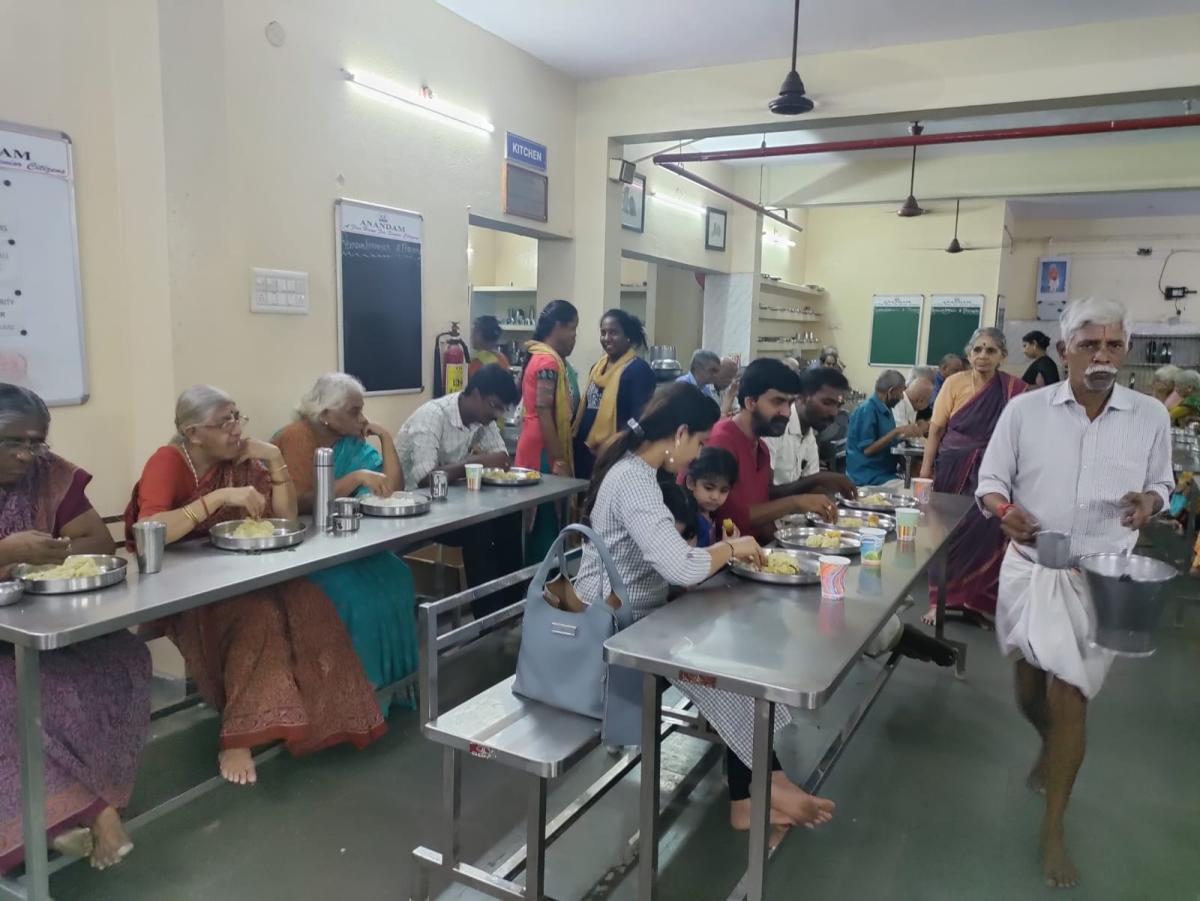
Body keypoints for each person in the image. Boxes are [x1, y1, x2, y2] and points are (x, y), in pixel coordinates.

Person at [575, 383, 835, 838]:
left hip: (642, 622)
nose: (696, 455)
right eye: (697, 443)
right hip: (612, 633)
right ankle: (757, 789)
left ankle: (762, 786)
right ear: (679, 433)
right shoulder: (634, 481)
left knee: (741, 667)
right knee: (729, 673)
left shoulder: (637, 474)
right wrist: (731, 549)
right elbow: (679, 565)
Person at [977, 298, 1171, 889]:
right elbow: (991, 482)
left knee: (1071, 694)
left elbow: (1162, 483)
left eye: (1113, 344)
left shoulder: (1149, 416)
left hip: (1101, 578)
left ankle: (1054, 827)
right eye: (1089, 345)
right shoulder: (1025, 411)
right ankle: (1049, 743)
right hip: (1030, 569)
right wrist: (1004, 511)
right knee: (1027, 690)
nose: (1102, 356)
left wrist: (1150, 502)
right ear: (1065, 351)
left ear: (1126, 350)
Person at [126, 386, 385, 787]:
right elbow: (150, 531)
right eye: (224, 422)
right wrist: (217, 499)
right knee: (257, 615)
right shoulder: (169, 461)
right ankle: (239, 735)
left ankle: (314, 711)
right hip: (181, 586)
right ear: (193, 433)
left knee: (307, 599)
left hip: (237, 570)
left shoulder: (243, 459)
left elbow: (286, 519)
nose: (236, 429)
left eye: (237, 417)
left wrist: (275, 459)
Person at [0, 385, 150, 872]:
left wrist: (44, 554)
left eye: (36, 442)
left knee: (122, 658)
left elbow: (99, 542)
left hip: (35, 621)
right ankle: (92, 812)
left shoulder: (47, 473)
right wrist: (7, 552)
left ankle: (65, 816)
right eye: (12, 442)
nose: (27, 455)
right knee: (13, 689)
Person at [273, 373, 418, 691]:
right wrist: (354, 479)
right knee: (358, 598)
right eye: (354, 411)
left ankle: (395, 687)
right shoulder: (296, 437)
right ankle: (358, 694)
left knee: (398, 576)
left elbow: (391, 490)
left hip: (345, 543)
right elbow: (299, 502)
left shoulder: (350, 443)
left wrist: (385, 438)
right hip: (306, 550)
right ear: (326, 414)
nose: (362, 419)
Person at [395, 364, 526, 617]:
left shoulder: (482, 419)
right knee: (479, 529)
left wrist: (468, 465)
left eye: (501, 409)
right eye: (494, 406)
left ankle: (511, 610)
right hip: (414, 507)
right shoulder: (433, 415)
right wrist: (471, 464)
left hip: (449, 503)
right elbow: (425, 478)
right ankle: (487, 621)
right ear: (475, 394)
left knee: (509, 516)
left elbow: (502, 458)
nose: (497, 415)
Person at [918, 328, 1026, 626]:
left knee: (987, 532)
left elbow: (1021, 435)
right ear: (969, 354)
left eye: (991, 350)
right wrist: (925, 471)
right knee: (946, 532)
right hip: (952, 467)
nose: (983, 356)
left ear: (1003, 356)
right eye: (977, 349)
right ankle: (938, 602)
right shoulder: (954, 383)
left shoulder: (1014, 389)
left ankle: (973, 601)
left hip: (994, 471)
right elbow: (936, 430)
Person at [700, 358, 845, 542]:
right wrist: (796, 502)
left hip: (752, 549)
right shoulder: (722, 441)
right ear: (751, 402)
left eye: (789, 403)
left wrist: (786, 545)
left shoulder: (761, 448)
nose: (786, 412)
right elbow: (730, 518)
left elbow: (763, 509)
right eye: (778, 402)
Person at [516, 300, 580, 560]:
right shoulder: (547, 362)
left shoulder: (545, 357)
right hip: (542, 449)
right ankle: (544, 579)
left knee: (544, 522)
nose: (575, 336)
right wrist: (559, 459)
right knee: (545, 522)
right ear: (557, 327)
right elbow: (544, 410)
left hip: (537, 443)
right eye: (573, 328)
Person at [574, 309, 655, 479]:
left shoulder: (638, 370)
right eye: (603, 332)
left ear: (628, 336)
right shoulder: (597, 368)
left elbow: (641, 418)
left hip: (615, 456)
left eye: (613, 332)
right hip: (584, 453)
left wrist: (616, 442)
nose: (606, 338)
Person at [765, 366, 856, 489]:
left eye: (838, 405)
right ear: (801, 398)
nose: (834, 413)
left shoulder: (809, 435)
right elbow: (763, 492)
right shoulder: (775, 427)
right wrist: (817, 479)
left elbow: (809, 487)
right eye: (827, 403)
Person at [846, 370, 921, 487]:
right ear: (891, 391)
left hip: (886, 474)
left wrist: (905, 436)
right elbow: (868, 450)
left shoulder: (886, 410)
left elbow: (887, 443)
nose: (902, 397)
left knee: (919, 484)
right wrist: (897, 431)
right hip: (868, 477)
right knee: (915, 490)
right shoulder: (867, 410)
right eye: (901, 392)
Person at [684, 446, 739, 547]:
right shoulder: (689, 521)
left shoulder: (710, 515)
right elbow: (692, 556)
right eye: (708, 488)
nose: (715, 496)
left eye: (723, 490)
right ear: (691, 482)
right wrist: (726, 546)